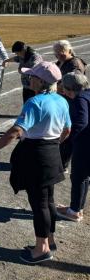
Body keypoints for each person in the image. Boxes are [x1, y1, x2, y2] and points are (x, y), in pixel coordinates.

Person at [0, 62, 70, 264]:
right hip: (52, 152)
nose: (29, 79)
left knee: (39, 203)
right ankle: (49, 240)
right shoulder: (61, 100)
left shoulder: (34, 102)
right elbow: (67, 130)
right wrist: (53, 144)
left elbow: (16, 131)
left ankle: (41, 249)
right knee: (48, 200)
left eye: (32, 76)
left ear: (41, 81)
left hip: (36, 155)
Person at [56, 72, 90, 222]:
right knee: (84, 177)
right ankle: (77, 208)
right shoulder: (87, 94)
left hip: (85, 144)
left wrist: (70, 140)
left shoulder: (79, 99)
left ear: (69, 89)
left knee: (78, 177)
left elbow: (81, 123)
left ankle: (74, 212)